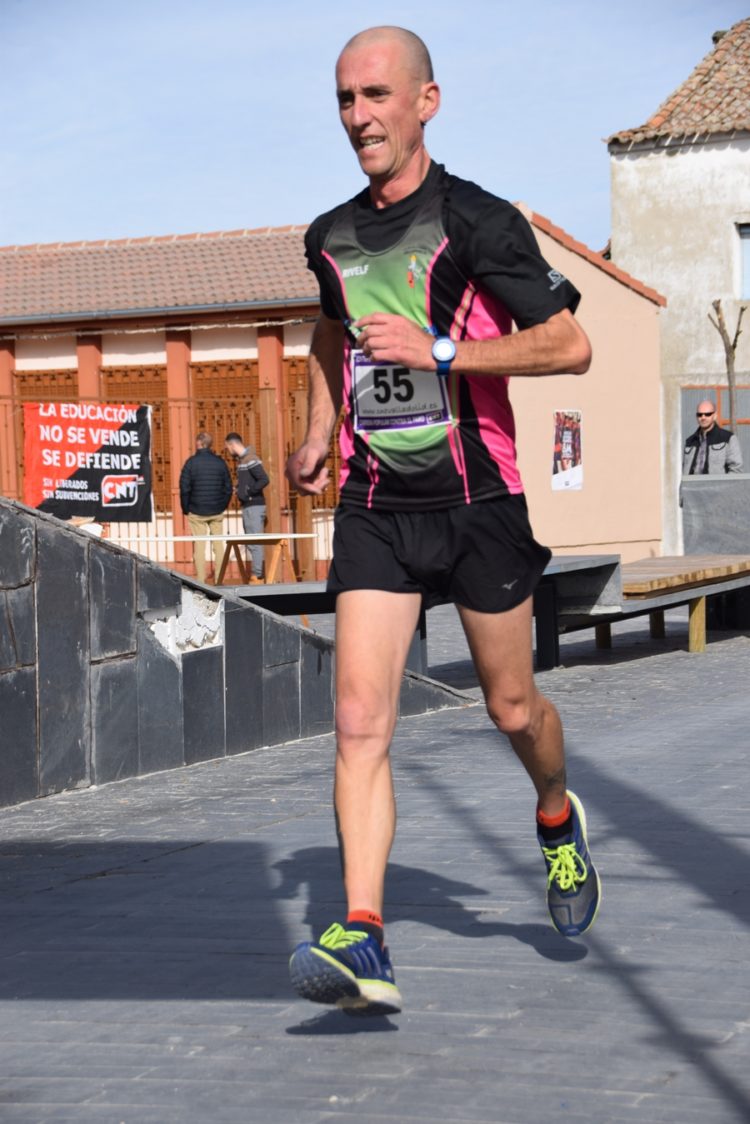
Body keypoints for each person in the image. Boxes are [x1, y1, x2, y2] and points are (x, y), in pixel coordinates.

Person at [285, 25, 600, 1017]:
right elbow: (333, 337)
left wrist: (443, 353)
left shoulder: (479, 221)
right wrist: (318, 430)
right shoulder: (328, 236)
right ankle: (364, 931)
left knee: (513, 709)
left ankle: (556, 813)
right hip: (377, 505)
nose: (358, 118)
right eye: (344, 99)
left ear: (426, 100)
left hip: (479, 501)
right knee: (356, 719)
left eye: (376, 95)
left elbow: (569, 342)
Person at [179, 431, 232, 584]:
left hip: (196, 511)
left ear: (198, 443)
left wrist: (185, 508)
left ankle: (201, 580)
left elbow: (184, 488)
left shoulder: (191, 463)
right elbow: (228, 487)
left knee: (199, 547)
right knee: (218, 545)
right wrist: (222, 505)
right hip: (216, 510)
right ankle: (219, 579)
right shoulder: (220, 463)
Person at [225, 432, 269, 582]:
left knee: (255, 541)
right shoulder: (243, 460)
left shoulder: (251, 459)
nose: (228, 451)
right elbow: (250, 481)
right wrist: (239, 488)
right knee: (251, 541)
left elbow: (264, 479)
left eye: (228, 447)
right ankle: (257, 575)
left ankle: (258, 575)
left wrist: (248, 491)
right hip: (248, 505)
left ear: (232, 444)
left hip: (254, 506)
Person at [683, 400, 744, 475]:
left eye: (707, 414)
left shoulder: (728, 438)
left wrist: (723, 486)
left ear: (715, 415)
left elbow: (736, 469)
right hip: (691, 486)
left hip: (718, 486)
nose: (703, 417)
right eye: (700, 414)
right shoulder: (689, 441)